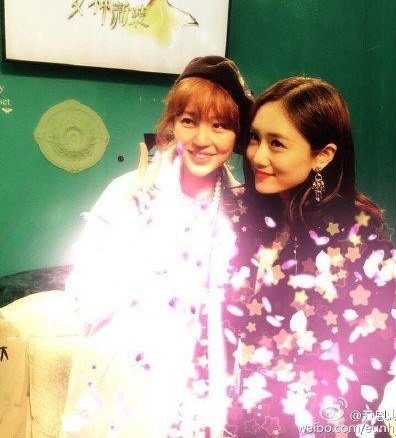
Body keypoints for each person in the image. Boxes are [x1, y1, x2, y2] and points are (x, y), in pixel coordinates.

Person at [223, 77, 396, 437]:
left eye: (277, 143)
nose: (258, 155)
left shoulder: (355, 238)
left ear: (322, 155)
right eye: (255, 138)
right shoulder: (241, 218)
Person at [61, 56, 253, 437]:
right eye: (189, 121)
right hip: (126, 381)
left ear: (236, 136)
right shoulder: (128, 192)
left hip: (206, 381)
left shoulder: (242, 209)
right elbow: (84, 291)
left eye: (219, 126)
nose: (202, 140)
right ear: (172, 124)